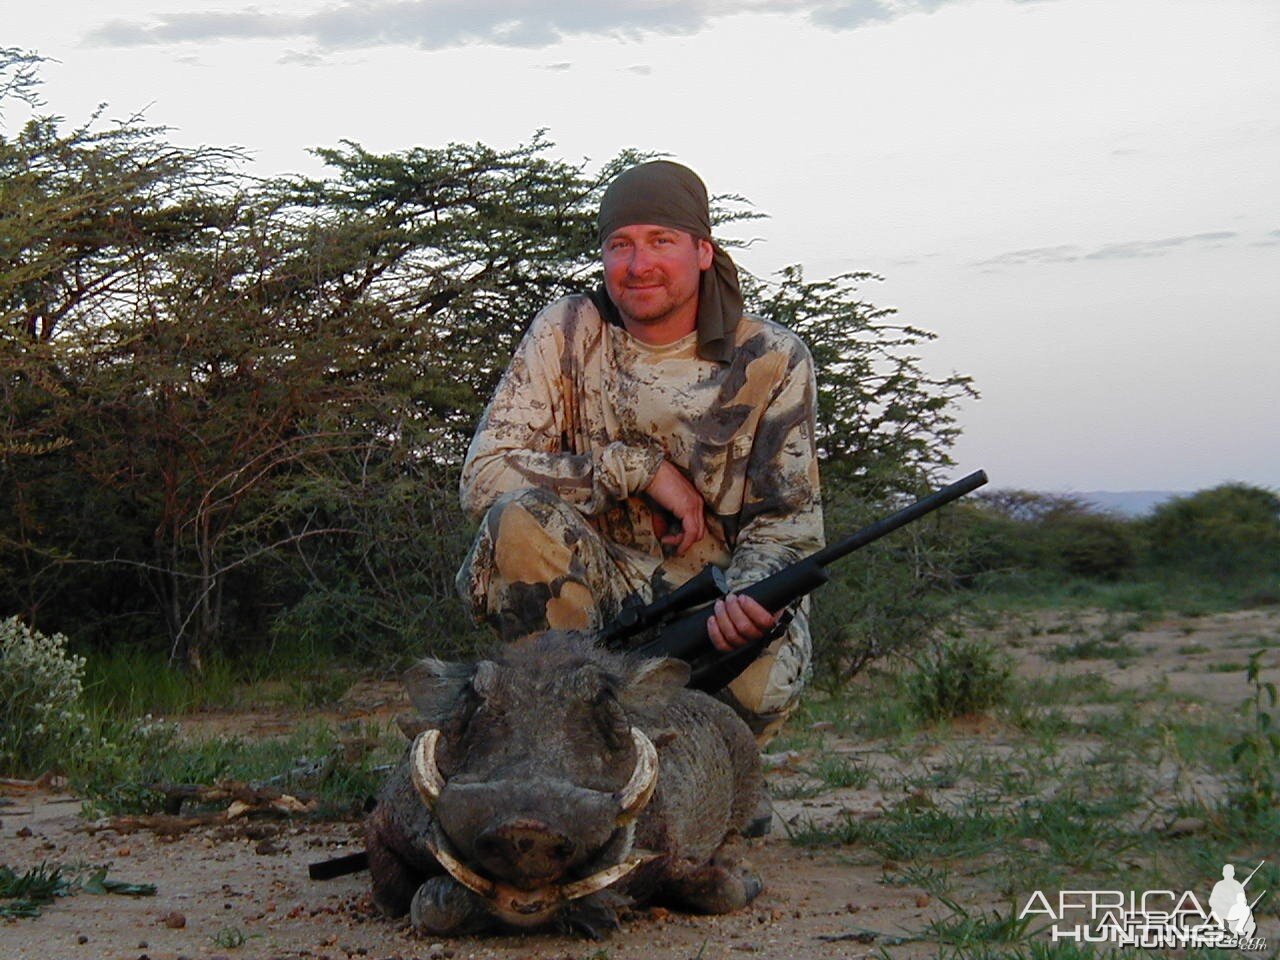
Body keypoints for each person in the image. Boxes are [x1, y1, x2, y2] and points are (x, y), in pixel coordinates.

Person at [454, 160, 823, 744]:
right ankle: (550, 742)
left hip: (715, 595)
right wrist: (636, 469)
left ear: (703, 251)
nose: (638, 264)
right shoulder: (568, 330)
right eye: (619, 244)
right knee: (517, 521)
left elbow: (788, 526)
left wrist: (747, 600)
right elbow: (483, 477)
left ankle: (728, 767)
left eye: (661, 241)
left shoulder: (773, 356)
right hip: (593, 589)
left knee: (758, 685)